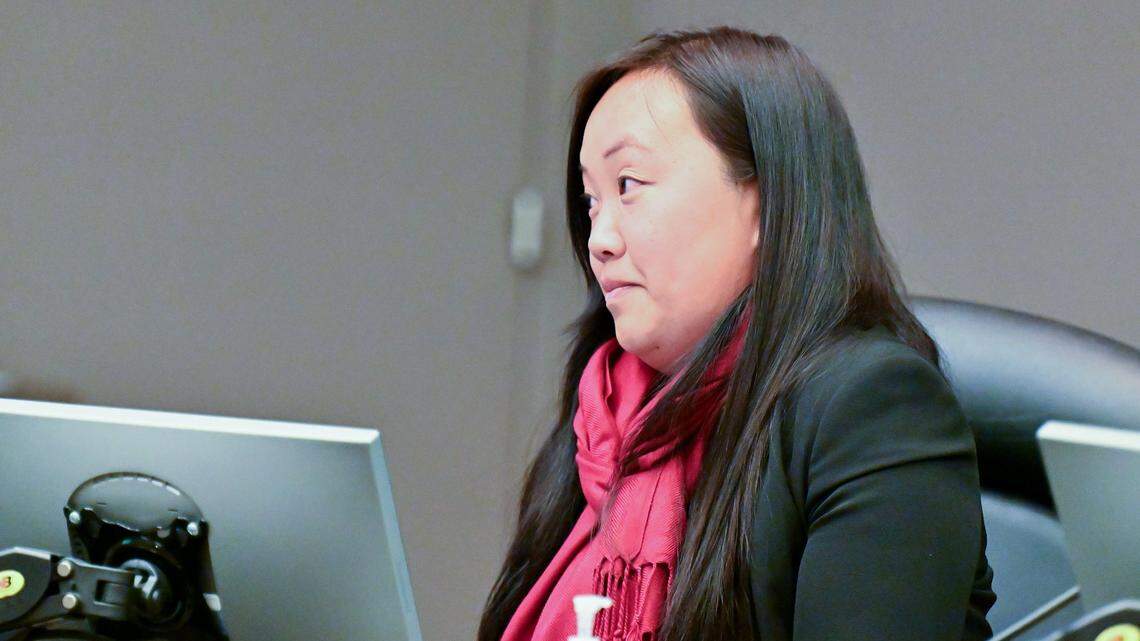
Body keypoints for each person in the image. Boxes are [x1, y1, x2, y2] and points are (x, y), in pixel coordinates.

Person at [479, 26, 996, 641]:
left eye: (628, 187)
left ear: (765, 206)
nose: (599, 239)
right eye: (591, 201)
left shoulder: (873, 409)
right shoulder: (604, 419)